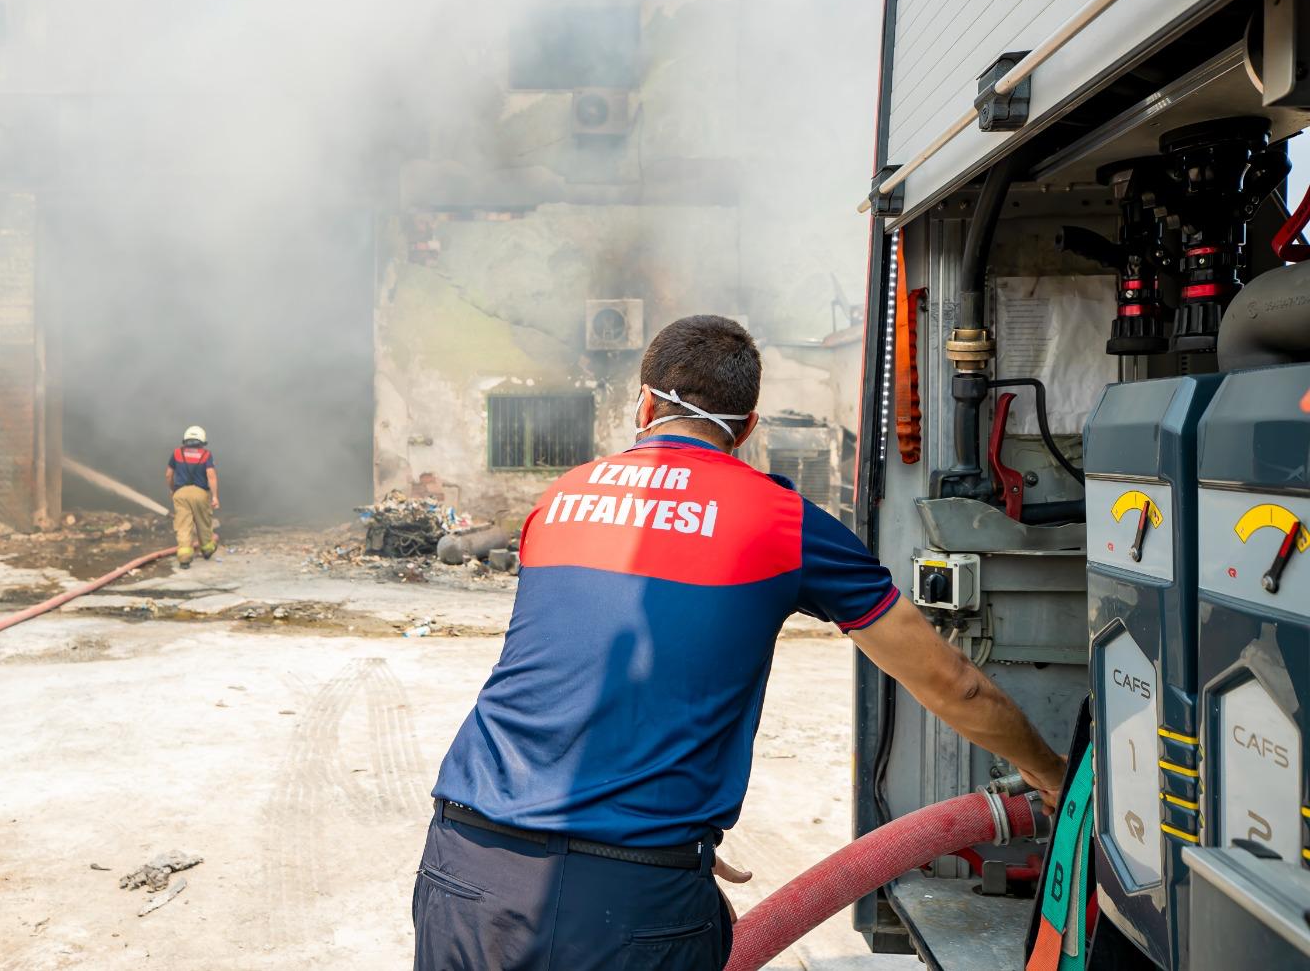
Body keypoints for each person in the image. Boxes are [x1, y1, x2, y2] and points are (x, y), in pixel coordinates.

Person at [412, 315, 1066, 971]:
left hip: (466, 860)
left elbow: (576, 669)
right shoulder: (782, 521)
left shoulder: (558, 500)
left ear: (643, 404)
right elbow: (954, 684)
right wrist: (1049, 773)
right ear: (747, 430)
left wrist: (665, 836)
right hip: (633, 898)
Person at [166, 425, 219, 569]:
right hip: (200, 494)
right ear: (202, 441)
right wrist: (214, 496)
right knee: (203, 521)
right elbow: (211, 476)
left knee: (183, 525)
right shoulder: (206, 455)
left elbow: (169, 474)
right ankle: (207, 550)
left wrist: (172, 490)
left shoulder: (177, 453)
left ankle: (184, 558)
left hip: (180, 493)